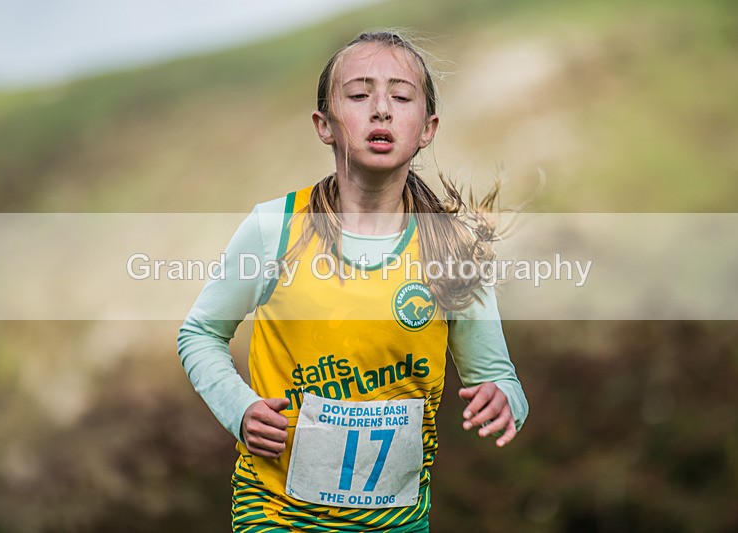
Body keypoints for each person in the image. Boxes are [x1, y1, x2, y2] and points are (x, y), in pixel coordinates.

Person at [178, 30, 528, 532]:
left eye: (401, 97)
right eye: (359, 95)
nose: (381, 109)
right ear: (324, 125)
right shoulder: (273, 228)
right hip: (275, 515)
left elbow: (501, 381)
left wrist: (501, 399)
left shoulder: (454, 246)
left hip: (397, 522)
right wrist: (241, 409)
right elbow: (199, 334)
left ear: (427, 128)